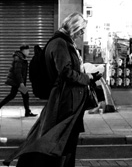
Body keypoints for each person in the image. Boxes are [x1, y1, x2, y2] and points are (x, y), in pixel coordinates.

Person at [3, 12, 102, 167]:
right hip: (65, 103)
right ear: (73, 27)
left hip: (71, 102)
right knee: (57, 143)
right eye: (81, 29)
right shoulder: (60, 43)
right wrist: (87, 77)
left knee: (63, 143)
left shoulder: (65, 43)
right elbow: (65, 72)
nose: (83, 33)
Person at [0, 44, 37, 117]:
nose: (29, 52)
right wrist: (21, 83)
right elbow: (17, 72)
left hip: (18, 82)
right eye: (28, 50)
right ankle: (27, 112)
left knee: (13, 95)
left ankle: (27, 112)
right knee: (24, 95)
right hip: (18, 82)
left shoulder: (21, 58)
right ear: (24, 50)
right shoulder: (19, 59)